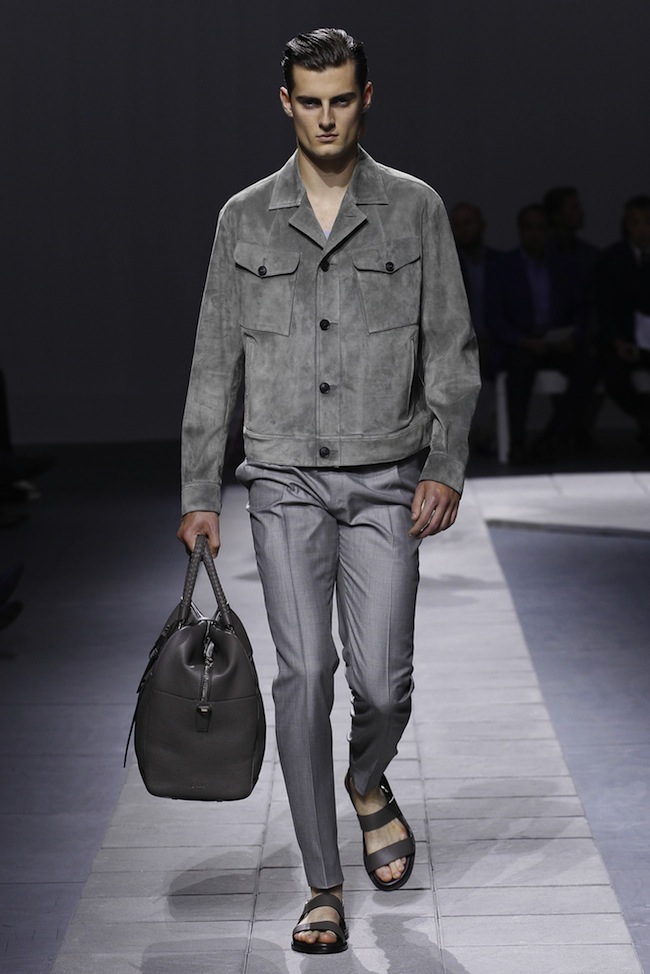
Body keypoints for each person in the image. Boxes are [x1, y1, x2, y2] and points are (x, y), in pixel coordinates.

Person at [177, 27, 480, 954]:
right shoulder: (244, 217)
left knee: (383, 683)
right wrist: (198, 487)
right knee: (304, 675)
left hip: (388, 476)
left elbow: (451, 346)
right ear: (286, 103)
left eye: (340, 99)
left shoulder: (414, 208)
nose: (325, 118)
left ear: (365, 98)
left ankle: (366, 779)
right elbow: (213, 360)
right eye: (309, 101)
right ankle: (322, 885)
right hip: (283, 478)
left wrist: (444, 464)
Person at [488, 203, 596, 463]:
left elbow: (582, 309)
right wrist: (522, 340)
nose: (535, 234)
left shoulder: (565, 266)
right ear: (520, 231)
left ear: (548, 230)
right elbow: (494, 318)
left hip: (558, 343)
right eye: (529, 228)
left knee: (589, 367)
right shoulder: (503, 267)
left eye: (540, 228)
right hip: (522, 344)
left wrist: (573, 337)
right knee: (519, 368)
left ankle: (552, 436)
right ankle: (517, 443)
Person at [595, 195, 650, 450]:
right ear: (626, 225)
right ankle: (645, 417)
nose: (642, 230)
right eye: (635, 223)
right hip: (624, 340)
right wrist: (617, 340)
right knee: (613, 374)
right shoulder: (612, 258)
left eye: (647, 222)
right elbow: (604, 306)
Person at [450, 202, 502, 452]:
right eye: (458, 225)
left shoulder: (500, 263)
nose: (464, 229)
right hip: (459, 343)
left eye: (468, 223)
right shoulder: (446, 265)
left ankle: (491, 434)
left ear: (482, 225)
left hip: (497, 340)